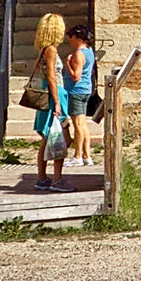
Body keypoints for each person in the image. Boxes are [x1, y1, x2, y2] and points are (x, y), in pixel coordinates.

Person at [46, 21, 98, 189]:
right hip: (85, 90)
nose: (69, 40)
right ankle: (87, 156)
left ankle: (77, 156)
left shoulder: (78, 54)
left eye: (71, 38)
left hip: (76, 91)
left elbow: (75, 76)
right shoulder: (89, 51)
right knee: (83, 125)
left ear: (78, 38)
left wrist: (68, 62)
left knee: (78, 125)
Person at [28, 11, 69, 188]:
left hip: (50, 94)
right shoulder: (51, 50)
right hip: (55, 95)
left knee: (48, 138)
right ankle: (57, 179)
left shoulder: (44, 50)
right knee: (59, 137)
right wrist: (57, 102)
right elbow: (52, 77)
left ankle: (43, 177)